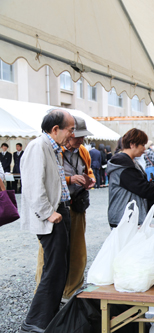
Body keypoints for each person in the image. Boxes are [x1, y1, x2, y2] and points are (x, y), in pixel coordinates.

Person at [19, 109, 75, 333]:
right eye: (69, 130)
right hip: (52, 216)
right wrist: (47, 212)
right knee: (53, 269)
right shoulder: (38, 146)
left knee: (59, 268)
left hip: (59, 212)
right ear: (55, 129)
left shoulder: (52, 148)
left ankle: (47, 316)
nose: (71, 135)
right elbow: (33, 185)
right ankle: (36, 321)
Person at [35, 116, 96, 301]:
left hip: (76, 204)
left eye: (82, 137)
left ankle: (72, 289)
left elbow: (89, 170)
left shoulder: (83, 151)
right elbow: (45, 179)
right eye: (77, 136)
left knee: (77, 249)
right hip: (56, 207)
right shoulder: (50, 149)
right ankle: (44, 291)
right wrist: (71, 179)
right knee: (51, 252)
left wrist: (89, 179)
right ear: (66, 133)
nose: (80, 140)